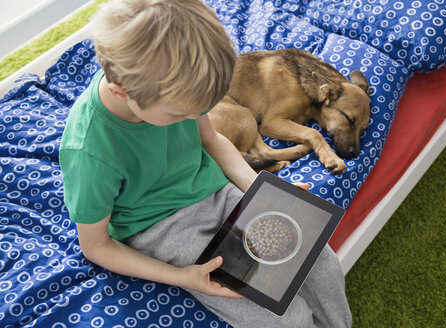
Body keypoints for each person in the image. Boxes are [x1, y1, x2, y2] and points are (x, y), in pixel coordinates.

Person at [59, 0, 352, 327]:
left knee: (322, 263)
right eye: (180, 114)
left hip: (219, 191)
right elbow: (96, 246)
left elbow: (211, 139)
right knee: (285, 318)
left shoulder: (179, 90)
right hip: (160, 227)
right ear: (121, 92)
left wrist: (261, 189)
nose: (190, 117)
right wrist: (182, 276)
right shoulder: (90, 149)